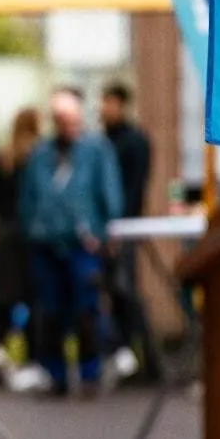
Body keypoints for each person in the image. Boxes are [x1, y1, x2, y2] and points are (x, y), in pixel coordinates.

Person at [18, 88, 124, 397]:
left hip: (83, 243)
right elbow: (28, 197)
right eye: (61, 119)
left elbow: (110, 193)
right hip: (46, 241)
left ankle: (90, 372)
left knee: (86, 310)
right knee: (50, 311)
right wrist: (33, 229)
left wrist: (103, 234)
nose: (66, 125)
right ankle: (56, 374)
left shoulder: (97, 150)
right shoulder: (41, 154)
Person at [99, 80, 152, 379]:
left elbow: (134, 188)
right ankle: (128, 356)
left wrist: (123, 223)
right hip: (110, 227)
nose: (103, 109)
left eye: (109, 102)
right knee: (116, 291)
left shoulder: (133, 142)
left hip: (125, 226)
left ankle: (146, 357)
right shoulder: (104, 141)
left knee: (124, 288)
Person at [0, 107, 40, 383]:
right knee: (31, 295)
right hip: (29, 233)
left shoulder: (3, 157)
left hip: (5, 233)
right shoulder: (38, 157)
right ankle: (32, 356)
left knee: (4, 295)